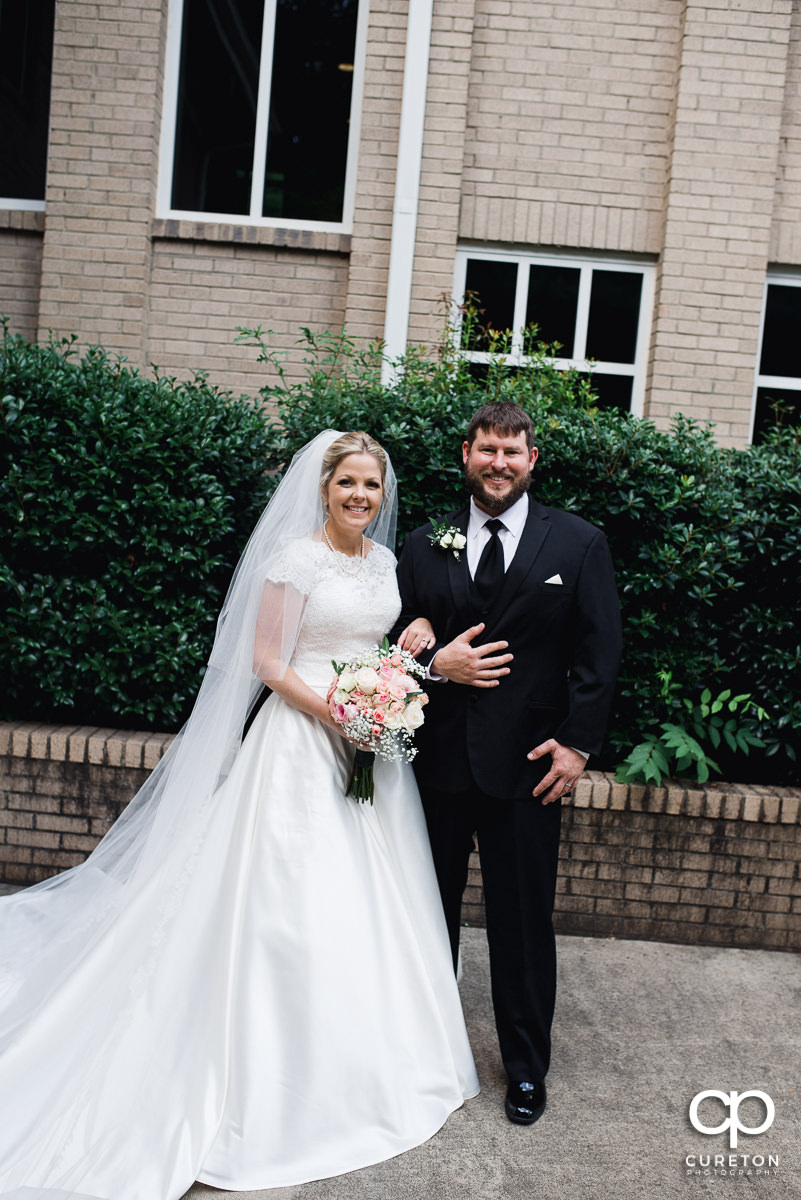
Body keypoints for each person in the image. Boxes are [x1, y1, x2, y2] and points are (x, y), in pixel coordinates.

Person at [0, 430, 478, 1200]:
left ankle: (368, 1055)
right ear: (323, 487)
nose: (362, 497)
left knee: (373, 902)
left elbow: (373, 639)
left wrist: (404, 657)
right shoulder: (292, 563)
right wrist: (340, 714)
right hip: (298, 743)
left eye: (373, 486)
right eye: (349, 483)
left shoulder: (385, 563)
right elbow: (267, 665)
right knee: (288, 901)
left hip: (368, 745)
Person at [392, 402, 622, 1127]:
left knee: (522, 925)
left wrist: (577, 743)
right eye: (486, 450)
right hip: (433, 768)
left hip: (527, 768)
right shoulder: (423, 544)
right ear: (465, 454)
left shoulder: (579, 544)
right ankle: (421, 1056)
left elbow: (598, 653)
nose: (498, 463)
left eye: (511, 452)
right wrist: (427, 651)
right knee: (423, 919)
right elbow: (388, 639)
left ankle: (524, 1069)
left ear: (531, 462)